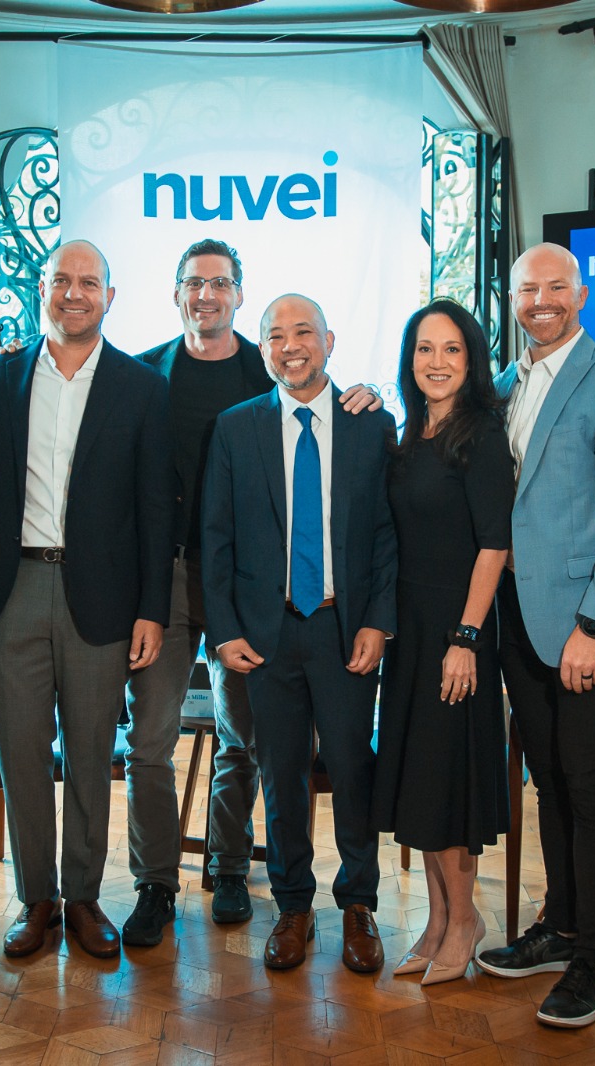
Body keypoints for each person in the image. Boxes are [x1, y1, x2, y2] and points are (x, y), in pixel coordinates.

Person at [123, 239, 383, 945]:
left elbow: (374, 515)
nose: (206, 294)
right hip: (181, 584)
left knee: (268, 744)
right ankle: (172, 886)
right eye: (194, 282)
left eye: (219, 283)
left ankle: (246, 872)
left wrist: (366, 393)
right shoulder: (147, 377)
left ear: (239, 293)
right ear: (177, 292)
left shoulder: (303, 388)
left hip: (290, 601)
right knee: (168, 743)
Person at [0, 239, 174, 961]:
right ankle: (37, 900)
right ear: (42, 289)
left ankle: (82, 897)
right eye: (61, 280)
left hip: (102, 597)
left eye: (88, 282)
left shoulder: (141, 386)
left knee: (89, 753)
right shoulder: (1, 374)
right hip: (11, 589)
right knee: (21, 755)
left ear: (109, 296)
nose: (73, 293)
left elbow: (155, 509)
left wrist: (152, 609)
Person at [474, 244, 595, 1027]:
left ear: (581, 294)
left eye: (557, 286)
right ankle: (560, 925)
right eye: (529, 289)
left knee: (590, 788)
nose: (542, 300)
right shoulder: (504, 385)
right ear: (513, 297)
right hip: (520, 619)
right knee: (550, 782)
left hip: (592, 627)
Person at [202, 293, 396, 974]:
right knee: (280, 774)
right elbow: (215, 537)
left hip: (346, 629)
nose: (292, 346)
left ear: (329, 340)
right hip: (267, 634)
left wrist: (377, 621)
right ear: (263, 351)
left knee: (352, 768)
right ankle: (292, 906)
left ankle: (359, 904)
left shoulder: (371, 424)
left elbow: (386, 534)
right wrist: (224, 631)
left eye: (304, 332)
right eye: (277, 336)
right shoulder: (236, 428)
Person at [369, 298, 513, 987]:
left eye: (451, 349)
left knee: (449, 785)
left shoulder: (481, 434)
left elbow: (494, 545)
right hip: (413, 634)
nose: (437, 361)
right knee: (422, 784)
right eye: (425, 348)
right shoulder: (410, 433)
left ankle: (465, 922)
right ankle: (437, 921)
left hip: (457, 634)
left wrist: (466, 638)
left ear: (471, 359)